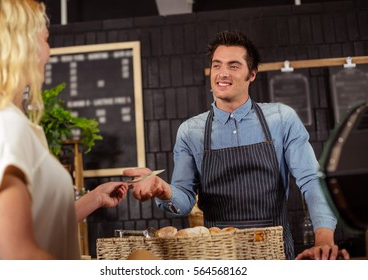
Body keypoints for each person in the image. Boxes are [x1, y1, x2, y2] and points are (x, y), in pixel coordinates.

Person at [123, 30, 350, 260]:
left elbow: (312, 180)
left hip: (273, 253)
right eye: (217, 65)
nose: (222, 73)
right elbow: (184, 200)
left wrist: (323, 238)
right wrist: (164, 190)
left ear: (251, 74)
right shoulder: (190, 131)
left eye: (233, 66)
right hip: (217, 257)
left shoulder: (282, 119)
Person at [0, 0, 127, 259]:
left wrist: (94, 199)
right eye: (45, 40)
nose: (49, 52)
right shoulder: (6, 124)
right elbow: (20, 254)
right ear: (20, 45)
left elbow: (38, 223)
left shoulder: (3, 120)